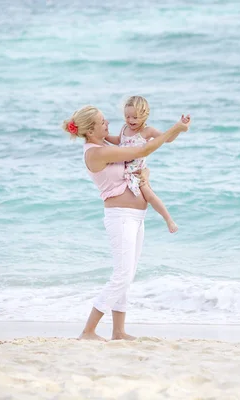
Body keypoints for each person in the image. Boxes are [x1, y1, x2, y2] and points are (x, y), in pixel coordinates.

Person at [62, 105, 191, 341]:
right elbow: (143, 150)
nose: (108, 124)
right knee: (121, 274)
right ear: (90, 130)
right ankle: (88, 331)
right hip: (120, 217)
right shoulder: (95, 153)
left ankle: (118, 332)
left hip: (135, 217)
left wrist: (147, 175)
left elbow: (138, 166)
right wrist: (176, 127)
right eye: (102, 122)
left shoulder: (106, 147)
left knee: (127, 275)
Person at [105, 96, 183, 233]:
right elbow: (118, 140)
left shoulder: (148, 131)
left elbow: (168, 138)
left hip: (137, 173)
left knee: (150, 196)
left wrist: (178, 128)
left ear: (145, 115)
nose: (130, 120)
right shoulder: (124, 128)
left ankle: (169, 220)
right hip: (123, 171)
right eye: (127, 116)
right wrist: (104, 137)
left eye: (135, 117)